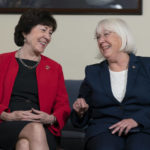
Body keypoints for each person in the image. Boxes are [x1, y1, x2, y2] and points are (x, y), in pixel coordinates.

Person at [71, 18, 150, 150]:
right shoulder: (93, 72)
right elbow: (79, 120)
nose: (101, 41)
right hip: (104, 131)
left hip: (143, 128)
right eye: (98, 37)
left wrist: (138, 120)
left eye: (106, 34)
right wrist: (80, 111)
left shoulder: (147, 66)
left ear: (123, 36)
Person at [0, 8, 71, 150]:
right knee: (34, 129)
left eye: (50, 33)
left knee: (24, 144)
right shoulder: (2, 61)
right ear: (25, 32)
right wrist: (7, 116)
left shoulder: (54, 67)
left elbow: (63, 106)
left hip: (43, 127)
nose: (48, 37)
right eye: (43, 30)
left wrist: (50, 118)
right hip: (6, 124)